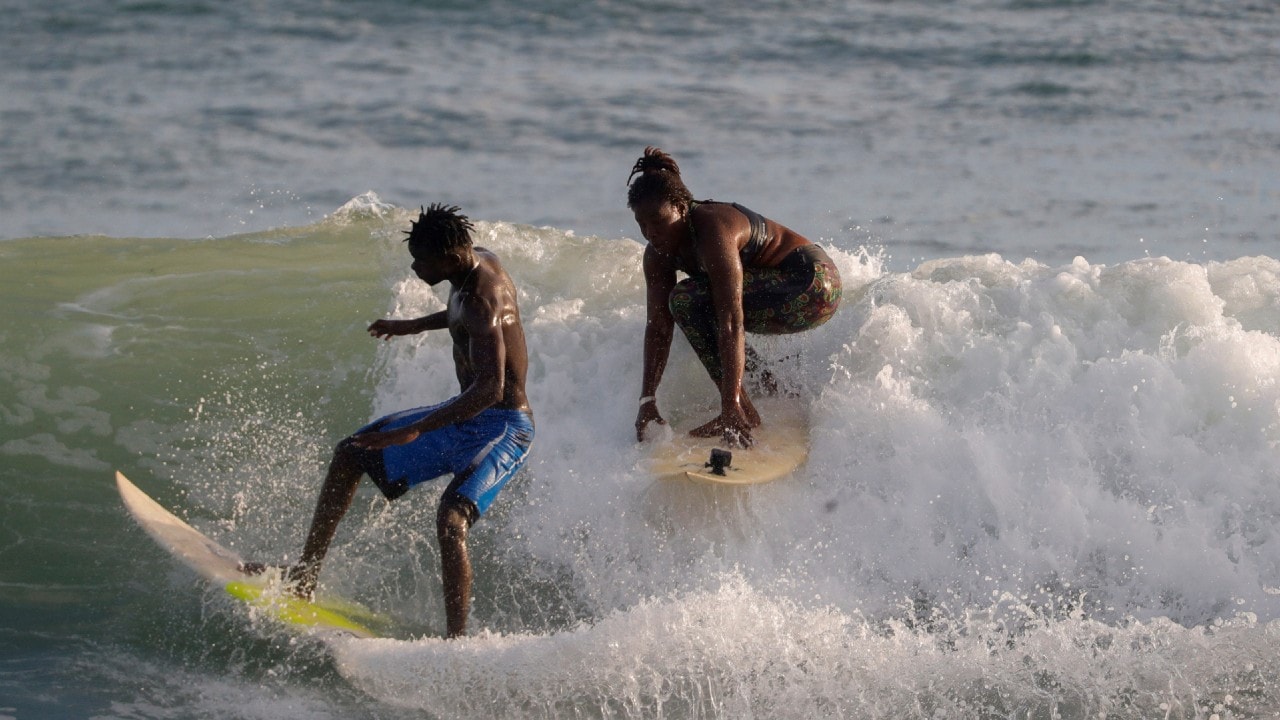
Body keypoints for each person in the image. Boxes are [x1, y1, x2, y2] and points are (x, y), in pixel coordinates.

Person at [246, 203, 534, 639]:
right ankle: (305, 576)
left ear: (453, 257)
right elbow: (463, 317)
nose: (416, 267)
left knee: (451, 520)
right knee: (351, 453)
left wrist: (420, 427)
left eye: (422, 261)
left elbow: (491, 388)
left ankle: (456, 641)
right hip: (468, 416)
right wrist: (413, 326)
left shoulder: (481, 297)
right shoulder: (474, 265)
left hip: (503, 426)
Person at [627, 146, 842, 447]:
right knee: (692, 305)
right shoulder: (657, 255)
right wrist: (647, 400)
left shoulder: (713, 227)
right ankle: (768, 389)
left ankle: (739, 409)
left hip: (814, 285)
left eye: (658, 222)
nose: (650, 233)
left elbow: (731, 320)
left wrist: (729, 403)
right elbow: (658, 326)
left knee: (688, 301)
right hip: (781, 293)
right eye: (641, 225)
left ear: (681, 205)